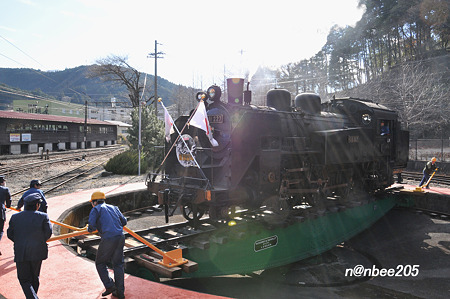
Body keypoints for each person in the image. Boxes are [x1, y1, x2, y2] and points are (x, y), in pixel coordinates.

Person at [7, 193, 52, 299]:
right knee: (34, 277)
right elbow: (48, 233)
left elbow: (10, 234)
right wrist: (39, 241)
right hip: (38, 251)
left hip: (21, 251)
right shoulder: (43, 216)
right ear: (37, 205)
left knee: (24, 279)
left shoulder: (15, 217)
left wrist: (19, 241)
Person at [88, 191, 127, 299]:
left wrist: (90, 228)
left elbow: (91, 227)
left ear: (95, 202)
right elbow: (124, 221)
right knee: (118, 264)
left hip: (109, 238)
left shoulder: (95, 209)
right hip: (120, 237)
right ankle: (120, 292)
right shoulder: (114, 207)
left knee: (100, 263)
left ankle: (110, 286)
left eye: (92, 202)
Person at [0, 175, 12, 255]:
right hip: (0, 213)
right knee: (0, 230)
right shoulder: (5, 189)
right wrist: (7, 206)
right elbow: (9, 202)